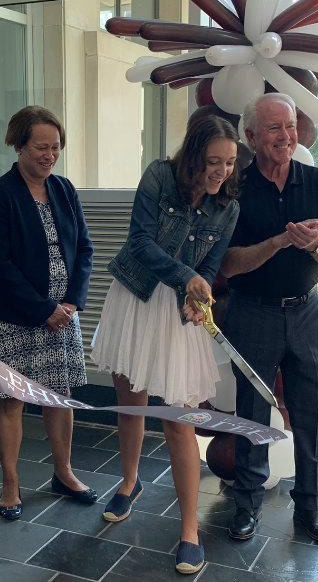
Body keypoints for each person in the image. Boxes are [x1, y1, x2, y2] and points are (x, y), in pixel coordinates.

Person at [92, 114, 240, 575]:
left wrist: (200, 296)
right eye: (213, 162)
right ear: (193, 156)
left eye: (231, 163)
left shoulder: (229, 207)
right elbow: (138, 242)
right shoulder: (159, 174)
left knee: (180, 420)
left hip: (179, 307)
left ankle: (190, 529)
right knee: (131, 400)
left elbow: (212, 264)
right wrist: (187, 278)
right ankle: (130, 481)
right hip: (136, 296)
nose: (221, 172)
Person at [219, 92, 318, 546]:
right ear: (251, 137)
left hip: (307, 312)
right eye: (273, 128)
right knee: (252, 414)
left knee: (310, 414)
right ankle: (247, 505)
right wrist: (277, 243)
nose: (285, 136)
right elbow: (227, 265)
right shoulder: (234, 187)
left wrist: (313, 245)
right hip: (252, 314)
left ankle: (311, 509)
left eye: (290, 125)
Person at [0, 106, 97, 520]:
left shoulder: (64, 190)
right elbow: (0, 264)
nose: (50, 155)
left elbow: (84, 250)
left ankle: (63, 473)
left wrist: (72, 303)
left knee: (59, 398)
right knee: (12, 401)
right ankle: (10, 484)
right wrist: (44, 309)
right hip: (13, 318)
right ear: (18, 145)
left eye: (56, 147)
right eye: (41, 147)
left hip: (63, 316)